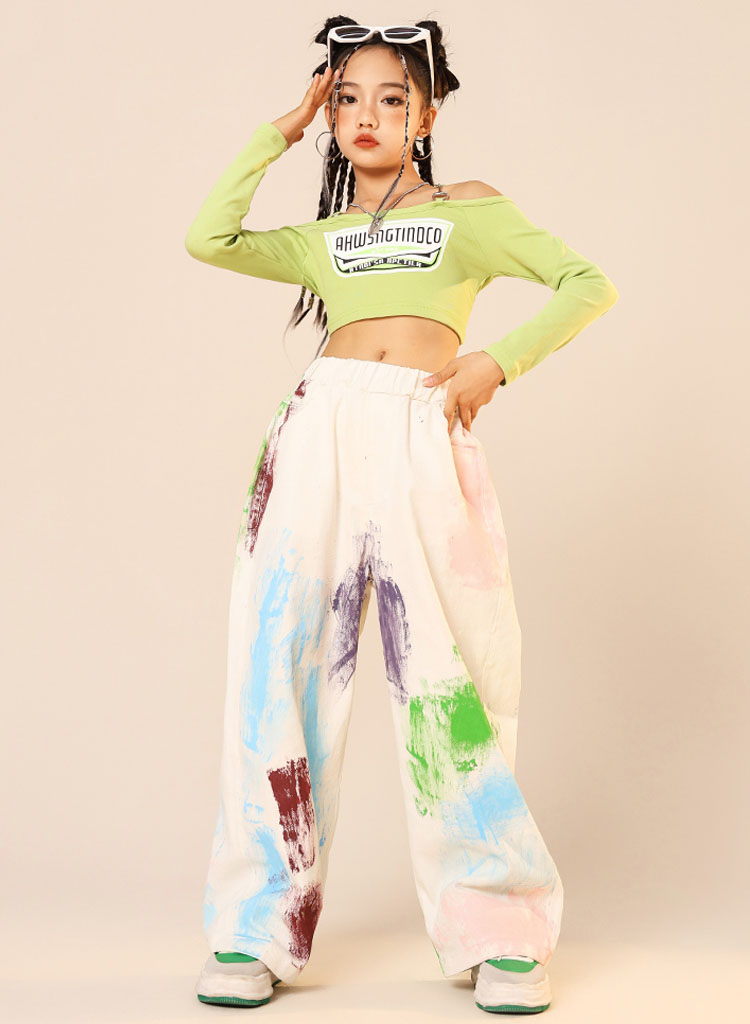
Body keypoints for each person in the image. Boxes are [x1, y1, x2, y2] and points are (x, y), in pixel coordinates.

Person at [185, 17, 618, 1014]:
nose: (366, 115)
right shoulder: (322, 237)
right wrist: (282, 127)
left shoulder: (469, 210)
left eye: (390, 97)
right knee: (277, 665)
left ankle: (498, 928)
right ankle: (254, 925)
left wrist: (497, 361)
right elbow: (208, 236)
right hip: (318, 436)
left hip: (423, 432)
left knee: (450, 680)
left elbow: (585, 284)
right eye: (346, 98)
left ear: (426, 114)